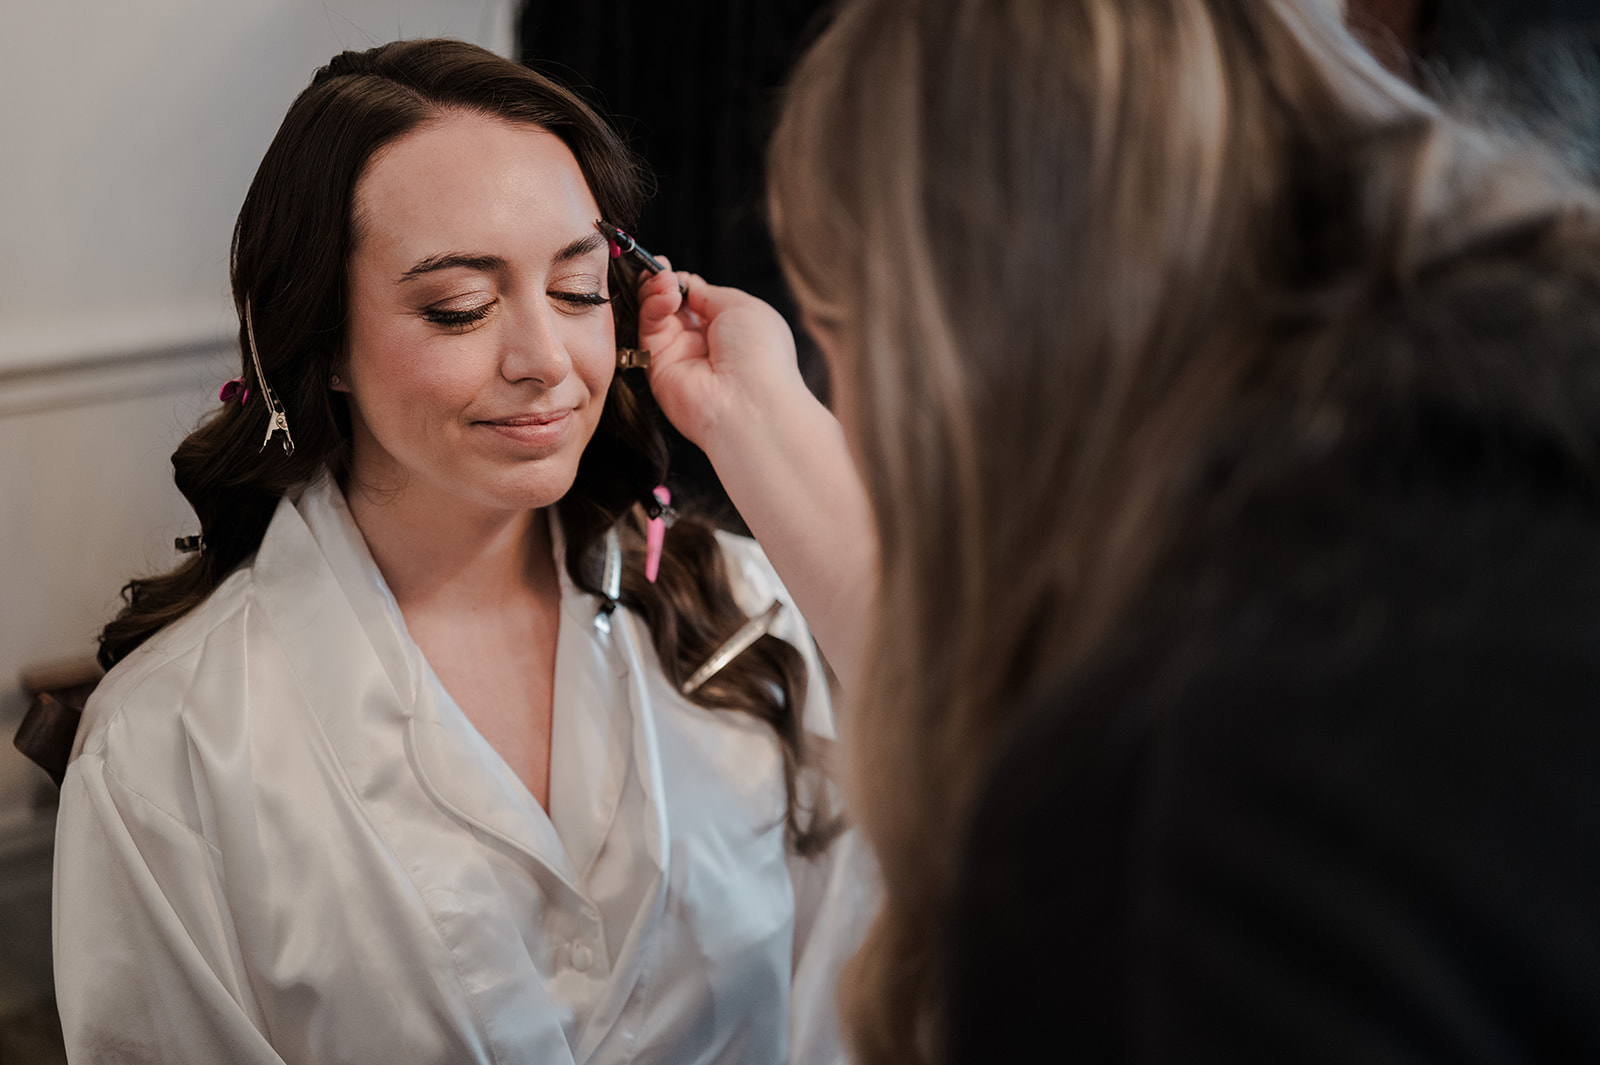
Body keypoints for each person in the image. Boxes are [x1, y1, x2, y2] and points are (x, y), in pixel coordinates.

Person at [627, 0, 1600, 1061]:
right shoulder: (1503, 438)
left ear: (953, 332)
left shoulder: (1165, 829)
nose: (846, 413)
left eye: (841, 332)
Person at [53, 38, 870, 1065]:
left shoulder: (743, 612)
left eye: (578, 290)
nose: (545, 360)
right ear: (322, 341)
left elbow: (855, 998)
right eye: (460, 309)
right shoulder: (169, 749)